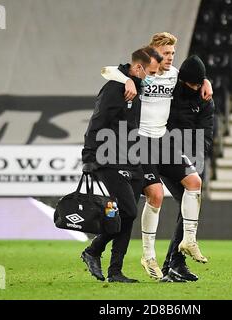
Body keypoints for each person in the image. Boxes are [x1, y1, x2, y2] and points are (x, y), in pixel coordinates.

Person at [101, 33, 213, 280]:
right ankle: (148, 256)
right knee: (156, 195)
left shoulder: (174, 75)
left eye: (173, 53)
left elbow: (193, 74)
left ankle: (189, 240)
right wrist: (126, 80)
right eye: (166, 53)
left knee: (194, 182)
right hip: (140, 141)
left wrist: (205, 80)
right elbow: (106, 70)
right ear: (153, 53)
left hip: (163, 140)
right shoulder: (140, 71)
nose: (170, 57)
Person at [80, 46, 162, 283]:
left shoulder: (133, 84)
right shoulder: (115, 88)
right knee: (128, 210)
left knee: (127, 216)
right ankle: (93, 250)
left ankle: (115, 271)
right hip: (109, 159)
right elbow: (97, 121)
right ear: (138, 68)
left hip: (132, 158)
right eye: (149, 71)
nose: (151, 76)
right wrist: (89, 157)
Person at [160, 55, 215, 282]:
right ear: (182, 80)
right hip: (163, 154)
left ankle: (172, 265)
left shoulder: (205, 98)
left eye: (198, 83)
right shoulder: (169, 90)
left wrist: (193, 164)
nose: (195, 87)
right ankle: (174, 264)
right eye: (191, 83)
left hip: (189, 159)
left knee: (189, 206)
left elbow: (205, 135)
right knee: (188, 205)